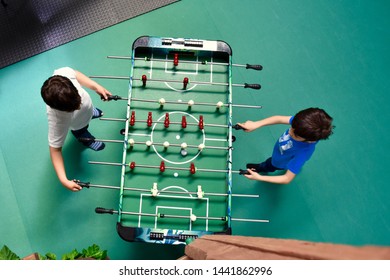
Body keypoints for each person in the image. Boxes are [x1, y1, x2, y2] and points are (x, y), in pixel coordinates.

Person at [41, 67, 112, 191]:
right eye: (74, 108)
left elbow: (76, 74)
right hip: (78, 124)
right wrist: (64, 180)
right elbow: (55, 150)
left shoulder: (63, 74)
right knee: (81, 131)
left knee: (87, 109)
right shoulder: (57, 120)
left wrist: (96, 87)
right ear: (61, 110)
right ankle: (86, 139)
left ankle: (90, 113)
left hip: (87, 110)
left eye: (78, 101)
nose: (79, 105)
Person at [237, 107, 334, 184]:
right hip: (278, 153)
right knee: (270, 160)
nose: (290, 131)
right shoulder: (300, 124)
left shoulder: (303, 153)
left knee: (269, 165)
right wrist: (256, 124)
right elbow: (279, 118)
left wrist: (260, 178)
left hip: (279, 163)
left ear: (309, 140)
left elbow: (287, 178)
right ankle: (263, 166)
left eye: (294, 134)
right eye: (292, 127)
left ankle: (261, 168)